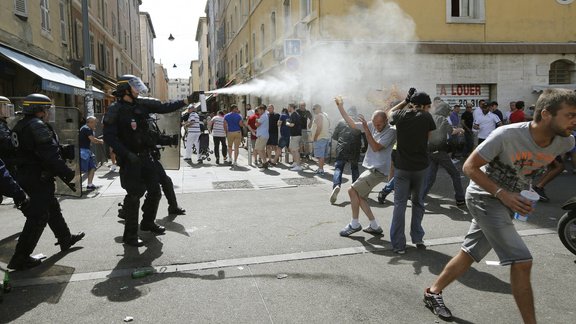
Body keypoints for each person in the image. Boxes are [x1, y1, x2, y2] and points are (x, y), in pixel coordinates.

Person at [423, 88, 576, 323]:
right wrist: (503, 194)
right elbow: (469, 167)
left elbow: (542, 164)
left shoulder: (565, 142)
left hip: (509, 200)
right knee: (522, 261)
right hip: (483, 197)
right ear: (546, 114)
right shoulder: (506, 135)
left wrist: (528, 189)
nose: (574, 120)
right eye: (570, 114)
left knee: (469, 253)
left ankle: (433, 292)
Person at [103, 75, 192, 247]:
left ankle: (147, 223)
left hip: (146, 156)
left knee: (155, 191)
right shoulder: (115, 109)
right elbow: (109, 138)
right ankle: (129, 236)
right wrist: (127, 155)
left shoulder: (141, 104)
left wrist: (186, 100)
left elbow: (164, 107)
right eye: (134, 87)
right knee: (134, 196)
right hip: (130, 160)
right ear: (125, 89)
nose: (138, 90)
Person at [8, 94, 85, 270]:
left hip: (27, 175)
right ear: (39, 110)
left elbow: (30, 150)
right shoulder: (37, 125)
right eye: (47, 109)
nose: (49, 112)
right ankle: (20, 257)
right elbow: (49, 154)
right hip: (37, 177)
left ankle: (65, 238)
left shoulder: (20, 124)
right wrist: (67, 172)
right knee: (38, 216)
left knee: (52, 207)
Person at [335, 96, 396, 237]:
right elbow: (351, 123)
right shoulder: (371, 124)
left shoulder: (391, 132)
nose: (376, 126)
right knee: (360, 197)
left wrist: (367, 130)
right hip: (371, 168)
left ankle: (354, 224)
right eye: (374, 123)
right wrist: (340, 106)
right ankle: (374, 225)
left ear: (386, 121)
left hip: (378, 170)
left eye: (379, 124)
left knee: (352, 191)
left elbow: (375, 147)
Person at [387, 89, 436, 254]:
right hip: (421, 167)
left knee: (399, 205)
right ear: (422, 105)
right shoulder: (426, 117)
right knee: (418, 202)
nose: (429, 109)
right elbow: (429, 138)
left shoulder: (400, 116)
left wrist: (405, 101)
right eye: (428, 106)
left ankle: (398, 245)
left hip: (402, 167)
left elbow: (389, 113)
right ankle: (417, 237)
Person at [421, 101, 466, 206]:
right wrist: (460, 129)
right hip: (439, 152)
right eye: (447, 111)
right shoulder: (442, 119)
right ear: (444, 110)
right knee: (455, 174)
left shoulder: (430, 117)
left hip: (429, 151)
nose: (448, 113)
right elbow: (451, 131)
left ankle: (420, 197)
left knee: (430, 178)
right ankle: (460, 199)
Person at [330, 106, 362, 204]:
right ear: (355, 113)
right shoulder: (359, 122)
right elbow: (365, 135)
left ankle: (336, 185)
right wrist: (365, 147)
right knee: (354, 168)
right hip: (355, 148)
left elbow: (334, 136)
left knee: (338, 168)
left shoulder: (341, 121)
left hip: (342, 147)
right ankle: (356, 189)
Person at [79, 116, 104, 190]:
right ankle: (75, 184)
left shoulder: (85, 128)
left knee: (92, 167)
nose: (95, 124)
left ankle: (90, 185)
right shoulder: (87, 129)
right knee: (82, 170)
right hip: (84, 152)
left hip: (86, 151)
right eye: (94, 122)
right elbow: (92, 139)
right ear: (90, 122)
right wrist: (100, 141)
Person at [311, 104, 330, 176]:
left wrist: (315, 136)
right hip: (325, 137)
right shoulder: (325, 115)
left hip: (320, 137)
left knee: (320, 155)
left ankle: (321, 169)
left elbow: (319, 127)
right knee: (321, 155)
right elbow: (329, 124)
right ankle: (320, 168)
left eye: (314, 109)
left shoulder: (319, 116)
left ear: (318, 108)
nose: (313, 110)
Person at [286, 103, 303, 171]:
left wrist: (287, 123)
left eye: (288, 107)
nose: (288, 108)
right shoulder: (294, 114)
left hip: (296, 135)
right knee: (291, 149)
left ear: (291, 107)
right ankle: (296, 162)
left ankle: (298, 166)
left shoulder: (294, 114)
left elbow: (292, 124)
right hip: (294, 135)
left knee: (295, 150)